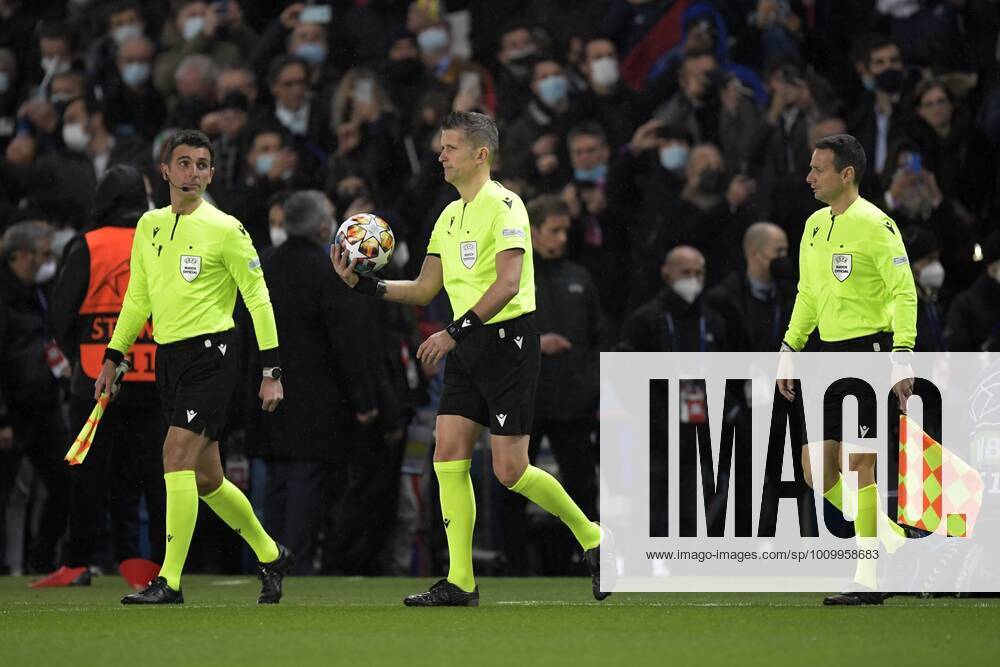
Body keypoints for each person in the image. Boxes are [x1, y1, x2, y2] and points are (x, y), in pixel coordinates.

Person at [331, 111, 613, 606]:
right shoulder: (448, 215)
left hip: (507, 342)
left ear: (480, 155)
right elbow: (422, 289)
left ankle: (594, 537)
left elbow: (507, 283)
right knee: (448, 453)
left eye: (450, 148)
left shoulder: (507, 207)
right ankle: (460, 579)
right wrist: (366, 285)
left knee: (510, 470)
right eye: (441, 147)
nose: (440, 155)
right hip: (468, 343)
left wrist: (453, 332)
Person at [97, 129, 291, 604]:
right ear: (164, 171)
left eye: (202, 165)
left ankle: (170, 581)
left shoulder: (226, 228)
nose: (194, 173)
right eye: (184, 163)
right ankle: (270, 554)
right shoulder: (149, 226)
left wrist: (272, 372)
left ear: (212, 173)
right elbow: (138, 297)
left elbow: (259, 299)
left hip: (214, 356)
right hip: (169, 359)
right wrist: (113, 356)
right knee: (206, 479)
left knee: (174, 457)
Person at [777, 133, 917, 606]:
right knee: (816, 470)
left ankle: (869, 579)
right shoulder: (815, 225)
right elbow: (808, 293)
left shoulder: (877, 225)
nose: (809, 176)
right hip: (826, 356)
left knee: (859, 466)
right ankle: (893, 540)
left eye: (819, 169)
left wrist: (903, 353)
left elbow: (904, 291)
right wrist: (789, 347)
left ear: (846, 174)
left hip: (869, 354)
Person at [42, 165, 167, 586]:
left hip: (97, 380)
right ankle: (155, 566)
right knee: (154, 477)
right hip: (154, 379)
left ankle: (78, 562)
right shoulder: (160, 239)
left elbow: (60, 315)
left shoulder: (89, 245)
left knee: (90, 476)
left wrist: (82, 355)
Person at [705, 221, 794, 352]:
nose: (784, 257)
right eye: (778, 251)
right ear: (755, 253)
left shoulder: (792, 296)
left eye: (785, 251)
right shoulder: (724, 300)